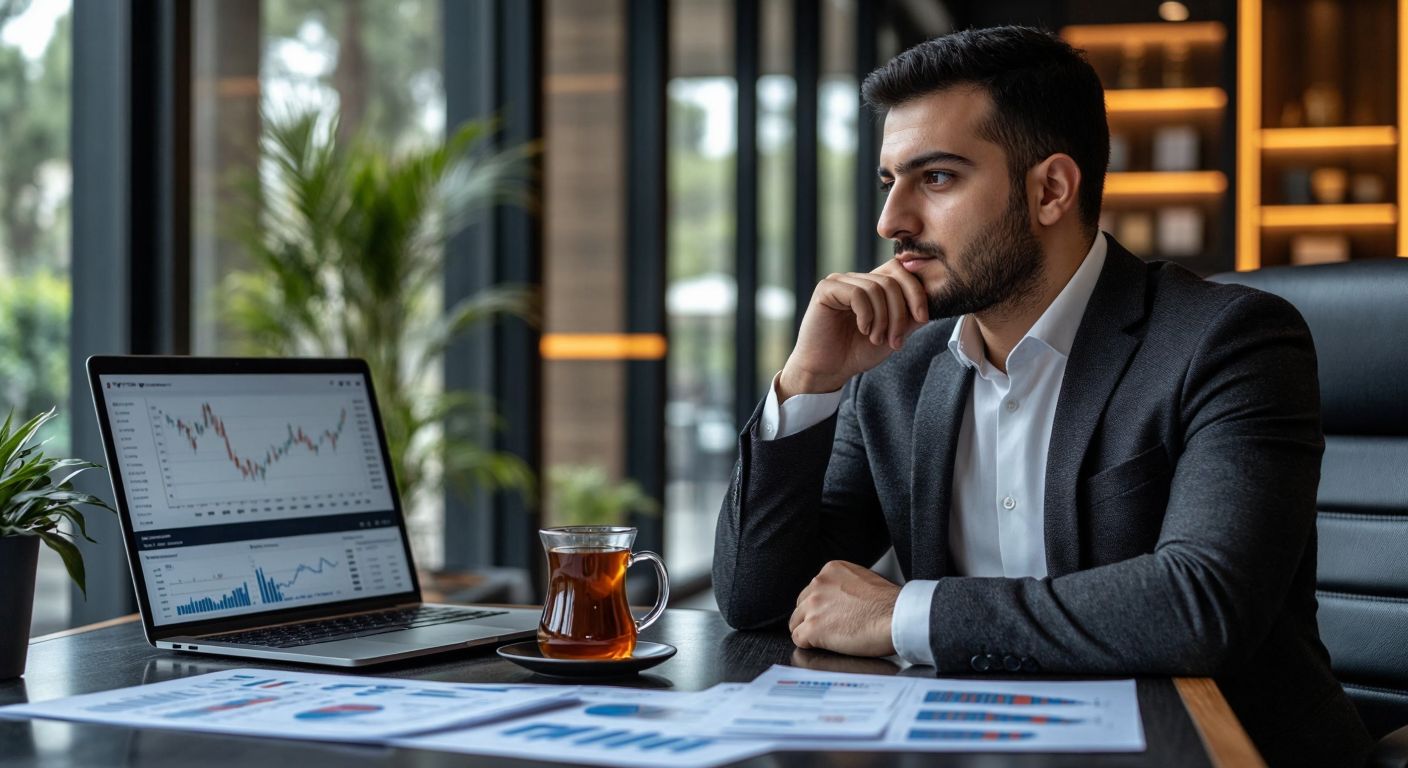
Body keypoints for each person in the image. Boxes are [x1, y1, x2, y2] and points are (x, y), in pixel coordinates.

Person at [712, 25, 1372, 765]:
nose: (890, 222)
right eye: (889, 181)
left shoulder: (1228, 340)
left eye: (936, 178)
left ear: (1051, 189)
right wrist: (808, 381)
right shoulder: (900, 371)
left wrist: (907, 613)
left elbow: (1200, 602)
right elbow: (759, 600)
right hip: (971, 747)